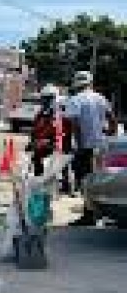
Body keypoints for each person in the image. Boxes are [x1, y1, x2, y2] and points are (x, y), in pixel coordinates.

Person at [65, 71, 117, 224]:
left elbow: (75, 127)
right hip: (101, 147)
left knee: (85, 182)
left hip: (85, 148)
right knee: (101, 180)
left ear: (76, 85)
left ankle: (89, 215)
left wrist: (78, 146)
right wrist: (108, 135)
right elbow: (112, 121)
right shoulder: (101, 98)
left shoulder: (75, 100)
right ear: (90, 83)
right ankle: (100, 213)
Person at [28, 84, 61, 177]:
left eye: (49, 98)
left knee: (55, 170)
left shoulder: (58, 114)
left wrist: (51, 142)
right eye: (44, 98)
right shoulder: (40, 114)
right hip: (40, 148)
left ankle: (64, 184)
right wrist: (32, 141)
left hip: (53, 149)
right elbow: (35, 129)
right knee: (37, 162)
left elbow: (59, 132)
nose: (46, 101)